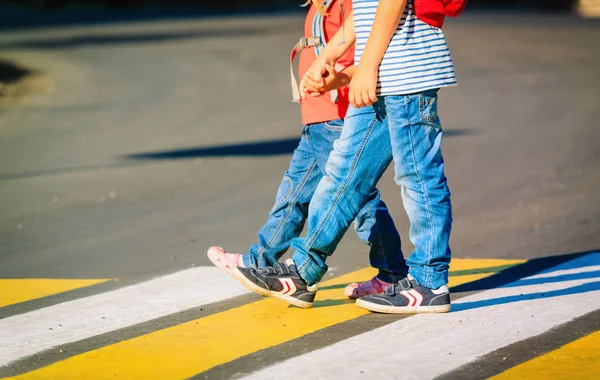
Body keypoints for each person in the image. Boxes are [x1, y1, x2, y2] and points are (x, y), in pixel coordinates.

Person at [233, 0, 456, 313]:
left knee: (418, 175)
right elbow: (365, 11)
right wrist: (327, 56)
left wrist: (367, 66)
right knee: (343, 172)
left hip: (407, 75)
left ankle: (430, 282)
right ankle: (303, 271)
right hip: (378, 75)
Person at [208, 0, 409, 299]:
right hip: (316, 118)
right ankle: (260, 260)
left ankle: (393, 271)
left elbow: (365, 59)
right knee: (293, 194)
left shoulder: (349, 5)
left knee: (359, 201)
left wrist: (336, 80)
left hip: (337, 117)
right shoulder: (322, 6)